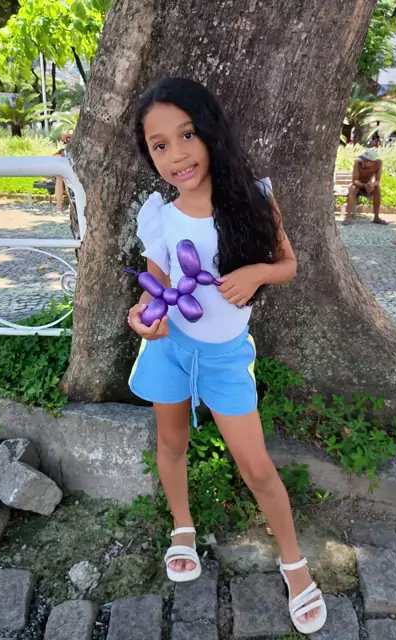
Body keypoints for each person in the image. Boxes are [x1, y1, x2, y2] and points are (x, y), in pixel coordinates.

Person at [127, 77, 327, 635]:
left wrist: (257, 272)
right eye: (159, 145)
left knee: (256, 467)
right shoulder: (160, 216)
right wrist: (144, 318)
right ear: (150, 155)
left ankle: (294, 564)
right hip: (172, 351)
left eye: (186, 135)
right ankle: (183, 527)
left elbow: (287, 265)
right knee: (171, 445)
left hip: (225, 358)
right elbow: (155, 289)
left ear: (211, 131)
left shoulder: (253, 199)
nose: (176, 155)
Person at [343, 148, 387, 226]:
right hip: (358, 185)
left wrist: (372, 184)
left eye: (366, 161)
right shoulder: (357, 163)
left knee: (378, 189)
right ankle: (348, 217)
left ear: (372, 162)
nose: (363, 162)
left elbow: (378, 180)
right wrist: (363, 185)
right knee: (352, 188)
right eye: (363, 159)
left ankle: (376, 217)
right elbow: (354, 180)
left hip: (368, 186)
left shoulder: (378, 163)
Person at [54, 130, 73, 212]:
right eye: (68, 137)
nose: (69, 139)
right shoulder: (63, 151)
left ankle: (69, 205)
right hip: (64, 175)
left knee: (65, 177)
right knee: (60, 177)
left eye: (70, 137)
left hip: (74, 175)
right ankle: (59, 206)